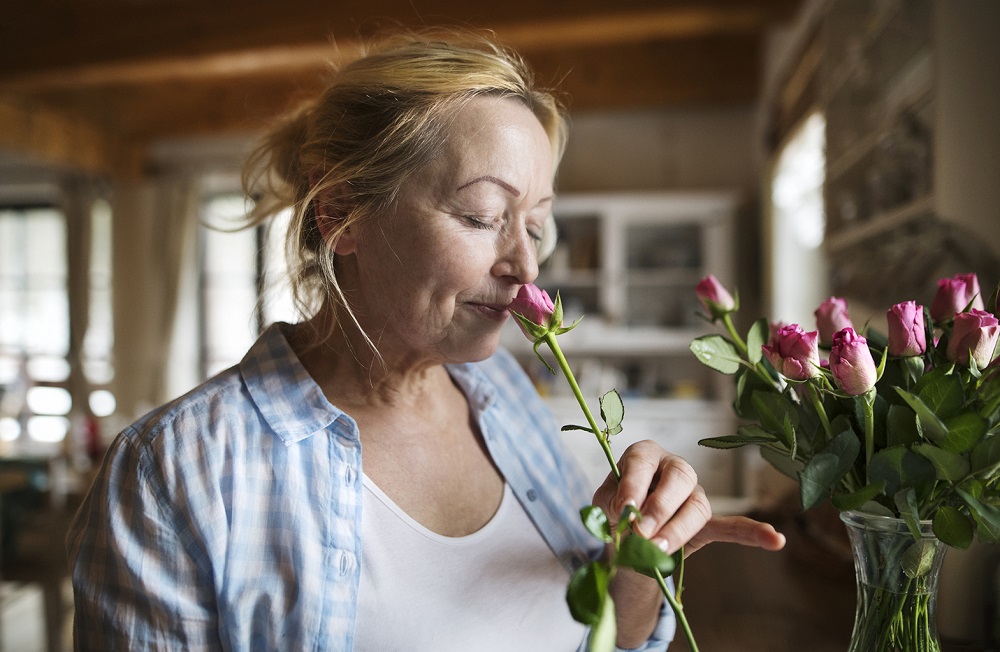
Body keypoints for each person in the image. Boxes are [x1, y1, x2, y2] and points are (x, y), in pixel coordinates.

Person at [66, 30, 784, 651]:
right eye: (480, 216)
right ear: (340, 212)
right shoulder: (174, 474)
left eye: (535, 225)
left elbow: (612, 637)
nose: (525, 266)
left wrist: (640, 562)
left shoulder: (505, 393)